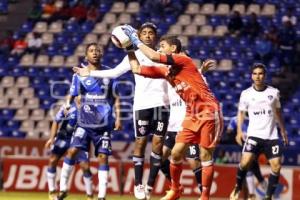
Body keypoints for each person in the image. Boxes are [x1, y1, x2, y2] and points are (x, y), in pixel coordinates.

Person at [123, 25, 224, 200]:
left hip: (208, 110)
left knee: (204, 155)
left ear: (173, 49)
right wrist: (129, 49)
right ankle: (176, 189)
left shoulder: (184, 61)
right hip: (191, 114)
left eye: (163, 46)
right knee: (176, 153)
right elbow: (137, 69)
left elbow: (154, 56)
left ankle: (205, 196)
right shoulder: (166, 72)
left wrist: (135, 39)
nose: (159, 49)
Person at [73, 23, 170, 200]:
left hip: (162, 105)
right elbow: (114, 73)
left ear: (155, 37)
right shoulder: (134, 55)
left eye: (151, 33)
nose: (148, 36)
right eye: (144, 33)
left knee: (157, 146)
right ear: (139, 36)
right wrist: (89, 73)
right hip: (142, 105)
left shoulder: (163, 54)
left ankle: (149, 186)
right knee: (140, 144)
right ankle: (138, 184)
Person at [57, 43, 122, 200]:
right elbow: (72, 94)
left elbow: (117, 97)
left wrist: (118, 117)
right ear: (86, 56)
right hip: (84, 122)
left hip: (104, 123)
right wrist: (67, 105)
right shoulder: (79, 74)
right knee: (72, 151)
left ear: (101, 54)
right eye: (91, 51)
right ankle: (63, 189)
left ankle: (101, 196)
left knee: (102, 157)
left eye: (98, 50)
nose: (95, 53)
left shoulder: (109, 73)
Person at [229, 63, 288, 200]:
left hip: (271, 136)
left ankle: (268, 196)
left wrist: (283, 132)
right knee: (245, 162)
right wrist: (239, 131)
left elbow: (278, 113)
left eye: (260, 73)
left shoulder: (274, 93)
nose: (257, 76)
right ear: (251, 76)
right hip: (254, 135)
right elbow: (241, 114)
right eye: (255, 73)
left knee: (276, 166)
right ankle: (237, 187)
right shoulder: (246, 94)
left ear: (265, 75)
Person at [160, 57, 213, 197]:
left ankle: (203, 193)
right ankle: (175, 187)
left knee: (194, 161)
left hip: (189, 124)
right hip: (173, 127)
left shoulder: (196, 79)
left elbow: (201, 89)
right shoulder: (170, 80)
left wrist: (201, 72)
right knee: (161, 157)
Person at [44, 101, 93, 200]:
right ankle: (52, 191)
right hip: (64, 136)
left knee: (85, 166)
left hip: (80, 138)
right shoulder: (68, 107)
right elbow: (56, 121)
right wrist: (52, 138)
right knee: (52, 160)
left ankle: (90, 195)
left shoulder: (89, 109)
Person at [226, 116, 267, 200]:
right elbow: (228, 132)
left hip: (253, 149)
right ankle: (268, 194)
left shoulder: (254, 119)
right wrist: (236, 132)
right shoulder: (235, 119)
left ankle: (252, 195)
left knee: (250, 170)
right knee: (257, 174)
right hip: (245, 149)